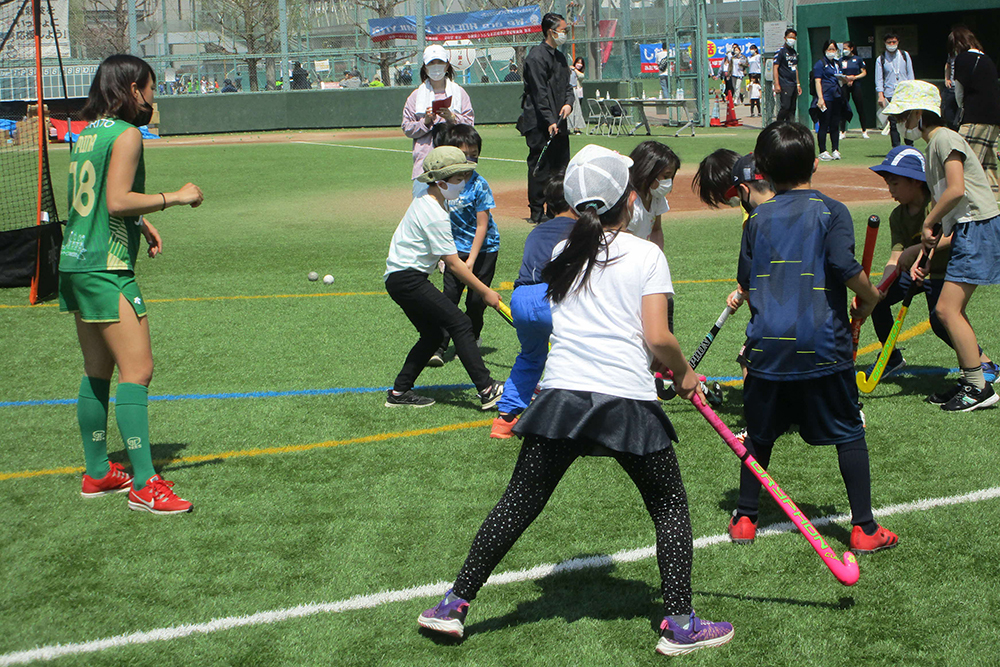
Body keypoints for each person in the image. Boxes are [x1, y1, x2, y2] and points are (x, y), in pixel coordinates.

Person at [417, 144, 734, 656]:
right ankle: (679, 622)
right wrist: (684, 372)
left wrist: (666, 364)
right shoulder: (647, 255)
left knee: (517, 504)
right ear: (628, 199)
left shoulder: (563, 252)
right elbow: (657, 337)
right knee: (670, 506)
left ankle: (452, 604)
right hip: (624, 401)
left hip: (561, 395)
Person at [727, 121, 898, 554]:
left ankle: (746, 516)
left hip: (766, 346)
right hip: (823, 344)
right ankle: (863, 527)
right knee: (848, 430)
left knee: (759, 435)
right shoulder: (831, 211)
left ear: (761, 169)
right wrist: (871, 298)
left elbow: (747, 282)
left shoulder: (756, 219)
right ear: (816, 163)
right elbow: (844, 266)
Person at [58, 54, 204, 514]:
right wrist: (175, 198)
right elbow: (118, 199)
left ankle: (98, 471)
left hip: (76, 260)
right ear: (132, 88)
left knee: (97, 371)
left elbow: (98, 196)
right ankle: (144, 484)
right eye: (151, 88)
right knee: (137, 371)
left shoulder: (87, 134)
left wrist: (140, 224)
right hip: (107, 266)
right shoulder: (126, 134)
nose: (153, 97)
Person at [884, 80, 1000, 411]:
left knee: (946, 310)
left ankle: (978, 387)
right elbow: (947, 207)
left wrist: (926, 222)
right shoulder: (931, 146)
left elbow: (956, 190)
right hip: (966, 228)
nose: (901, 122)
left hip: (977, 227)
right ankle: (972, 381)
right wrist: (927, 251)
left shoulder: (945, 139)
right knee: (948, 311)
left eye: (904, 115)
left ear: (919, 113)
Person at [383, 146, 504, 409]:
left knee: (432, 335)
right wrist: (485, 291)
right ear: (440, 182)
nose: (463, 182)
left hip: (401, 279)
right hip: (408, 280)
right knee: (460, 323)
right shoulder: (434, 212)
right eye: (458, 178)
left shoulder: (432, 202)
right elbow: (454, 264)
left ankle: (399, 393)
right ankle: (487, 389)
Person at [866, 146, 997, 382]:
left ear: (916, 181)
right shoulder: (897, 216)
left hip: (944, 272)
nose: (890, 190)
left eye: (894, 183)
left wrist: (919, 249)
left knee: (940, 321)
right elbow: (896, 257)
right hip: (915, 272)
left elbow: (954, 234)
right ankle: (891, 357)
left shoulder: (936, 205)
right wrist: (883, 287)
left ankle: (984, 363)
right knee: (877, 303)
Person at [490, 174, 577, 439]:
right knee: (576, 352)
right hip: (549, 296)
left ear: (548, 206)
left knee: (529, 356)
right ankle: (568, 416)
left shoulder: (537, 230)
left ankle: (504, 421)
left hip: (521, 298)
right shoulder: (580, 230)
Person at [693, 150, 775, 393]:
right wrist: (743, 288)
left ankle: (759, 423)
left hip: (774, 302)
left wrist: (746, 286)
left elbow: (761, 257)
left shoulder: (754, 209)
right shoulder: (760, 195)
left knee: (750, 357)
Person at [426, 125, 501, 367]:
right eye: (464, 155)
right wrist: (442, 255)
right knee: (449, 299)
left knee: (476, 301)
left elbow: (482, 225)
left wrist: (471, 260)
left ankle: (471, 339)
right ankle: (438, 346)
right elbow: (437, 221)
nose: (470, 160)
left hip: (484, 249)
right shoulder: (442, 185)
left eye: (474, 155)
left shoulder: (480, 185)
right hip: (453, 250)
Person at [518, 12, 575, 223]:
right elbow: (539, 93)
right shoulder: (536, 57)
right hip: (539, 123)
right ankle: (536, 211)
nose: (565, 34)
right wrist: (550, 120)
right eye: (563, 30)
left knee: (560, 167)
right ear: (551, 31)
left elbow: (568, 87)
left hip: (560, 122)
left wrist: (569, 103)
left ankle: (555, 210)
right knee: (540, 167)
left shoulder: (560, 57)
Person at [402, 45, 474, 197]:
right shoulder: (416, 96)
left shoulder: (459, 93)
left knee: (456, 210)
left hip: (455, 161)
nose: (436, 67)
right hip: (425, 164)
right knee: (424, 208)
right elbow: (407, 127)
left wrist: (452, 118)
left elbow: (470, 125)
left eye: (439, 62)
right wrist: (426, 122)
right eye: (431, 63)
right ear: (425, 67)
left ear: (447, 65)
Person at [949, 26, 1000, 198]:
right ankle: (993, 204)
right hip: (994, 119)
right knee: (988, 166)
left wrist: (961, 111)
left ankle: (970, 203)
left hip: (975, 117)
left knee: (964, 162)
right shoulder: (988, 60)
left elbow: (959, 92)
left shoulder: (962, 59)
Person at [627, 140, 679, 250]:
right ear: (647, 171)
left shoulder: (656, 197)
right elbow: (624, 241)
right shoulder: (631, 204)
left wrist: (658, 257)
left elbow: (656, 229)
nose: (668, 182)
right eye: (665, 176)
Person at [875, 32, 915, 148]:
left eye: (894, 42)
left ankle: (909, 146)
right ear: (885, 43)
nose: (891, 44)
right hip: (890, 94)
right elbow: (879, 78)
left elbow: (910, 74)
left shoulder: (904, 55)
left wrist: (912, 91)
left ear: (898, 42)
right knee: (893, 123)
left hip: (905, 93)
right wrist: (880, 95)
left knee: (907, 121)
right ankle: (896, 148)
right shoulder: (881, 59)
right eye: (889, 42)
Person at [811, 39, 844, 161]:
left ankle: (835, 149)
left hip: (837, 97)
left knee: (835, 124)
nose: (832, 52)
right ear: (825, 50)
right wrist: (820, 98)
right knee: (824, 124)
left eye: (833, 49)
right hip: (826, 97)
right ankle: (822, 151)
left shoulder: (837, 63)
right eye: (829, 49)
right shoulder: (820, 64)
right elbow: (817, 81)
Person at [839, 41, 869, 139]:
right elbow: (839, 74)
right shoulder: (841, 60)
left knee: (860, 107)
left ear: (851, 48)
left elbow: (864, 72)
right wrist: (846, 79)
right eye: (843, 48)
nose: (844, 50)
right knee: (843, 107)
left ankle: (864, 130)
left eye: (846, 48)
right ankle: (842, 131)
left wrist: (854, 78)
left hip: (856, 84)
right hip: (844, 85)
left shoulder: (858, 59)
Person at [773, 28, 801, 122]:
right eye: (790, 37)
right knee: (786, 106)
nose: (792, 39)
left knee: (792, 108)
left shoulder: (794, 52)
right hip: (784, 83)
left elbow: (795, 68)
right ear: (785, 38)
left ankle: (790, 127)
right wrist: (776, 84)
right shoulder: (780, 52)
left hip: (793, 83)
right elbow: (775, 67)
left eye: (794, 37)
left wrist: (798, 84)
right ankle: (778, 124)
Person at [567, 57, 586, 135]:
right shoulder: (570, 70)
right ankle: (568, 128)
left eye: (581, 63)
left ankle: (576, 128)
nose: (579, 64)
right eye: (578, 62)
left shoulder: (578, 72)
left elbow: (581, 76)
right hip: (570, 91)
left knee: (577, 110)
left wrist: (575, 69)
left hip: (578, 93)